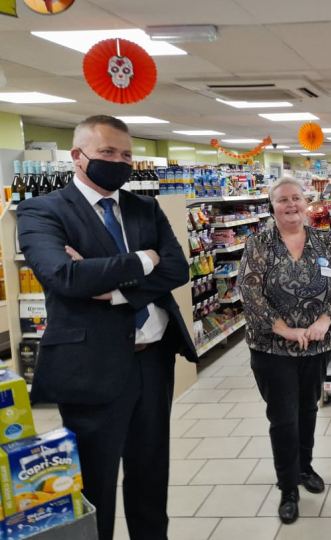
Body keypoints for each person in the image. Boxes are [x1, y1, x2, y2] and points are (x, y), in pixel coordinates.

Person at [16, 115, 197, 540]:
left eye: (126, 154)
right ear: (78, 157)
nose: (119, 162)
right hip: (90, 365)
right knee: (95, 480)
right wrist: (143, 260)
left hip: (153, 359)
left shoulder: (144, 207)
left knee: (151, 471)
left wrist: (116, 290)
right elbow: (65, 277)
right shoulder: (42, 210)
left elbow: (178, 268)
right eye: (107, 153)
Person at [239, 177, 331, 525]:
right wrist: (284, 329)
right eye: (282, 200)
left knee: (307, 409)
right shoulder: (258, 244)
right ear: (271, 206)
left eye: (297, 198)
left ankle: (305, 467)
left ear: (306, 203)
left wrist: (324, 321)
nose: (291, 205)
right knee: (283, 417)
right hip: (272, 348)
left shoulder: (326, 241)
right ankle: (288, 487)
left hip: (317, 346)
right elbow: (250, 292)